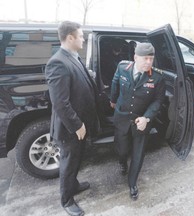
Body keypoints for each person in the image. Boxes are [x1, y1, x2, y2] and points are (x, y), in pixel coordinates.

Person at [45, 21, 98, 216]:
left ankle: (74, 185)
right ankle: (67, 200)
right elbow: (60, 103)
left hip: (80, 125)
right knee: (68, 164)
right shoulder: (57, 62)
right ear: (70, 38)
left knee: (76, 160)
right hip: (71, 128)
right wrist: (77, 125)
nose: (83, 39)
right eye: (81, 36)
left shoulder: (73, 57)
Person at [110, 42, 165, 200]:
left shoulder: (157, 77)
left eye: (151, 59)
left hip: (141, 121)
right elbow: (115, 84)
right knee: (121, 148)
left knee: (138, 153)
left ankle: (132, 183)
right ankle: (122, 161)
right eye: (145, 58)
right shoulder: (122, 68)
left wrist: (147, 117)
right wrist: (112, 100)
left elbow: (158, 101)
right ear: (135, 57)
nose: (148, 62)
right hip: (121, 117)